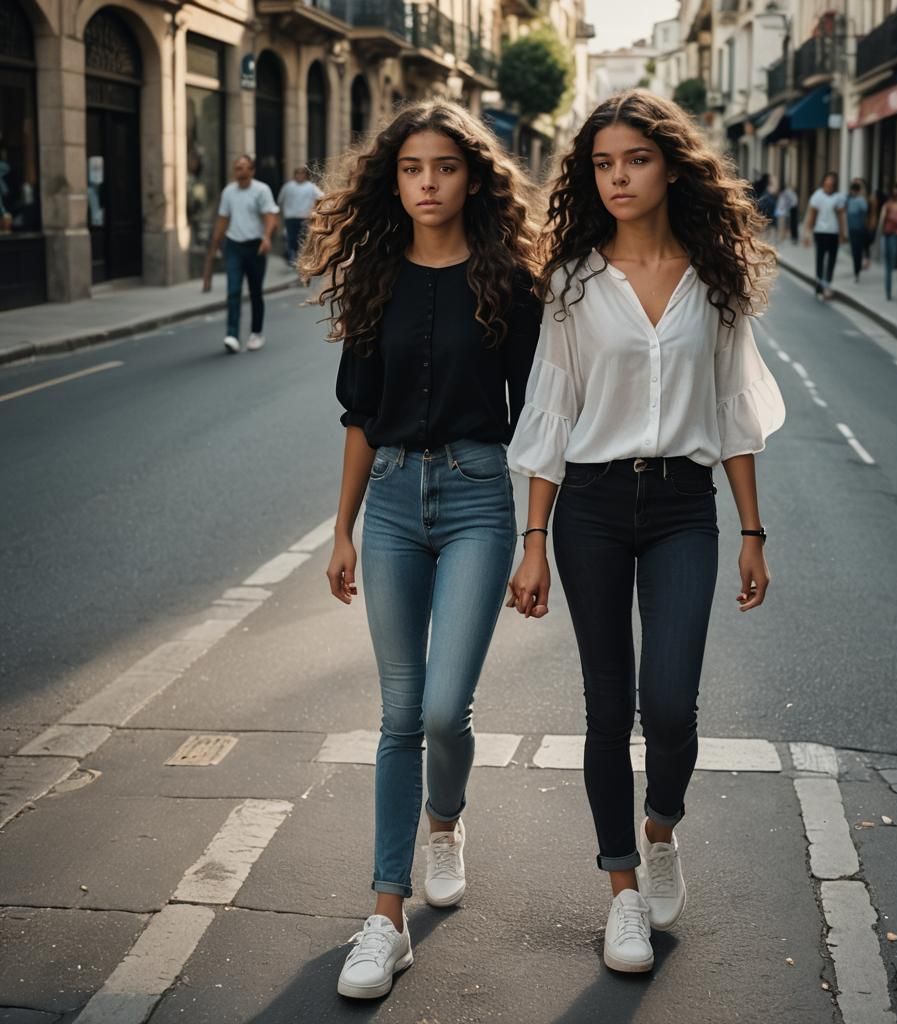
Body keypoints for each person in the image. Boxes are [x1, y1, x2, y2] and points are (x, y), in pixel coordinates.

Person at [505, 90, 784, 975]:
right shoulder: (573, 282)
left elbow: (734, 410)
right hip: (587, 505)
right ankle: (621, 888)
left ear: (671, 167)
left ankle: (660, 823)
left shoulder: (716, 276)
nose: (619, 177)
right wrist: (534, 538)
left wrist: (752, 529)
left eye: (636, 159)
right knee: (606, 704)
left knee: (669, 701)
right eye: (603, 163)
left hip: (680, 509)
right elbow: (552, 409)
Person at [299, 100, 541, 1000]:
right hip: (395, 498)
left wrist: (537, 537)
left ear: (472, 177)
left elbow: (543, 415)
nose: (427, 183)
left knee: (446, 710)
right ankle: (385, 916)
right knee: (402, 714)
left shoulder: (510, 282)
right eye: (411, 168)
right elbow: (360, 415)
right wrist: (343, 528)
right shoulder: (373, 279)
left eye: (444, 167)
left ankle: (447, 820)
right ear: (392, 179)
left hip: (480, 495)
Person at [202, 155, 278, 353]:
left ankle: (256, 333)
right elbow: (223, 218)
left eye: (243, 167)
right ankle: (232, 335)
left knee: (255, 292)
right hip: (234, 245)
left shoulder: (261, 190)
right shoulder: (229, 192)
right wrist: (216, 243)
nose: (239, 171)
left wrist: (266, 237)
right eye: (236, 167)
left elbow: (270, 216)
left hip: (256, 246)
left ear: (252, 171)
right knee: (233, 291)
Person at [803, 171, 846, 299]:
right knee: (820, 259)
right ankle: (819, 284)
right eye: (827, 183)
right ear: (823, 183)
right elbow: (812, 215)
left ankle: (826, 284)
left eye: (832, 184)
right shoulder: (817, 196)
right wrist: (807, 233)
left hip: (833, 232)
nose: (829, 185)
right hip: (820, 232)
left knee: (832, 259)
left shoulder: (839, 198)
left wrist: (842, 234)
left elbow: (841, 217)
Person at [277, 166, 323, 268]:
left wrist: (315, 212)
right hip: (291, 217)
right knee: (291, 239)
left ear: (305, 175)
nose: (300, 176)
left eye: (302, 173)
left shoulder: (311, 187)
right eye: (298, 173)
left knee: (304, 239)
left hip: (305, 217)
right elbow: (280, 201)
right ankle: (292, 259)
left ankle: (302, 259)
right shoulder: (288, 187)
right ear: (295, 175)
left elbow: (322, 197)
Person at [846, 179, 870, 282]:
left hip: (860, 229)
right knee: (854, 251)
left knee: (858, 251)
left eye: (855, 190)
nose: (853, 192)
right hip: (852, 230)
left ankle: (857, 270)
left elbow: (865, 210)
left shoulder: (861, 200)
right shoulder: (849, 200)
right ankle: (857, 269)